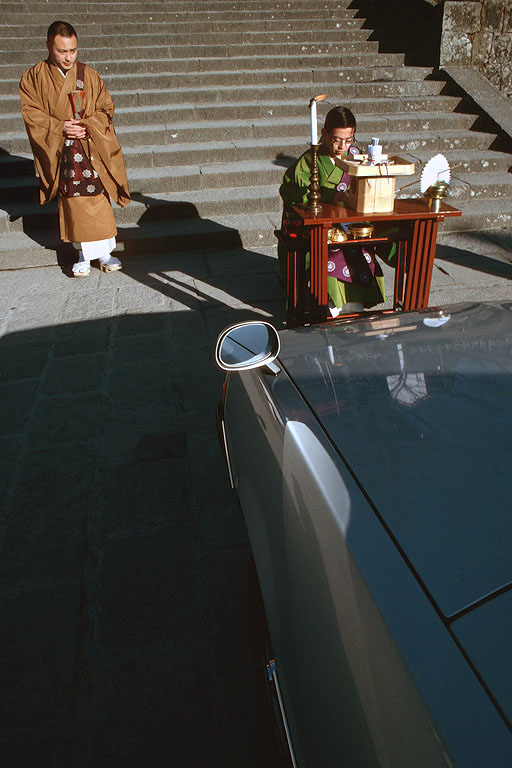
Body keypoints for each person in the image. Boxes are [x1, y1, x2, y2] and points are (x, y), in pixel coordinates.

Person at [19, 20, 131, 277]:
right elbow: (31, 114)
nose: (68, 57)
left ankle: (105, 252)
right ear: (49, 46)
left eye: (73, 51)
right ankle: (82, 254)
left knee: (98, 196)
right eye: (62, 51)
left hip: (91, 145)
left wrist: (87, 125)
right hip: (63, 149)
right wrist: (60, 127)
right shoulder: (34, 78)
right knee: (74, 200)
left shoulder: (89, 75)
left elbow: (106, 108)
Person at [279, 105, 396, 314]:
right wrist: (327, 197)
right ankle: (331, 307)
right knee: (333, 257)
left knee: (364, 252)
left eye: (349, 139)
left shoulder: (357, 157)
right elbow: (292, 191)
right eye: (336, 139)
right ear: (324, 134)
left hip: (351, 226)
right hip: (322, 231)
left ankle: (354, 307)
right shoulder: (309, 161)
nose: (342, 145)